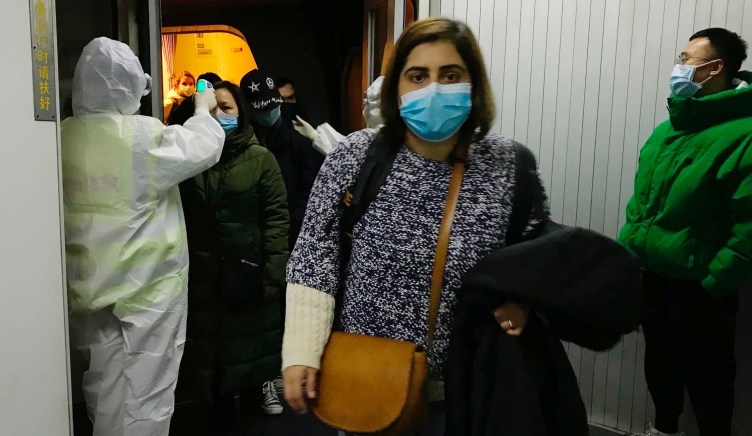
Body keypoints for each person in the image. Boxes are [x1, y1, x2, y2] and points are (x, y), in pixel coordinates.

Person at [281, 17, 549, 435]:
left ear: (474, 86)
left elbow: (536, 252)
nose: (434, 89)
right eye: (418, 75)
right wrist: (300, 349)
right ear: (397, 88)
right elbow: (316, 253)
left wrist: (524, 301)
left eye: (451, 75)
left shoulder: (508, 165)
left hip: (472, 387)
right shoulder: (356, 157)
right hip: (370, 380)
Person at [61, 37, 225, 436]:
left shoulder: (62, 136)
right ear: (129, 84)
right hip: (148, 290)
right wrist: (203, 110)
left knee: (104, 384)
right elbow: (204, 146)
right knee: (147, 395)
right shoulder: (139, 137)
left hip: (88, 286)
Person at [620, 28, 752, 436]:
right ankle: (664, 429)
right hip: (654, 278)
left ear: (715, 67)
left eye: (686, 59)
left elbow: (748, 227)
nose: (677, 69)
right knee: (660, 366)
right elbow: (645, 203)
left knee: (709, 381)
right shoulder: (668, 130)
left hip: (700, 289)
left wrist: (712, 282)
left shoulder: (744, 134)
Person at [177, 81, 290, 430]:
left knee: (248, 355)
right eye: (212, 108)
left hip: (246, 274)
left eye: (226, 108)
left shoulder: (261, 159)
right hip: (200, 278)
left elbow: (276, 219)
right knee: (209, 361)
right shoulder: (188, 157)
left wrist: (274, 273)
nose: (219, 115)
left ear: (241, 113)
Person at [241, 69, 324, 250]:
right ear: (248, 108)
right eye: (264, 108)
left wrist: (293, 226)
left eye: (274, 106)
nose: (271, 112)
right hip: (251, 234)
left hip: (290, 229)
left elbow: (309, 188)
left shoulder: (295, 138)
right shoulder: (241, 141)